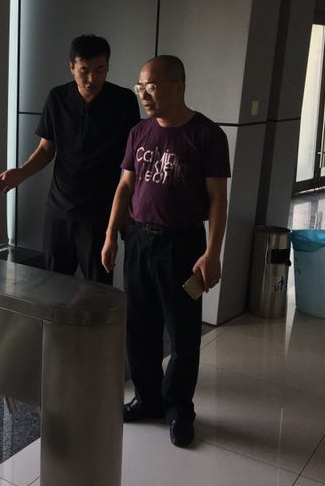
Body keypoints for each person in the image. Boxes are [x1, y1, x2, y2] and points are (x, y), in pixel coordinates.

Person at [100, 55, 230, 448]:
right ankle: (147, 398)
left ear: (179, 87)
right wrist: (110, 235)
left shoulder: (207, 135)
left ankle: (179, 407)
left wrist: (212, 252)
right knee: (139, 327)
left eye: (152, 87)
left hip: (183, 245)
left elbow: (218, 199)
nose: (144, 94)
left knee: (183, 332)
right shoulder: (139, 132)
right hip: (139, 240)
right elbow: (125, 187)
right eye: (140, 86)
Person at [0, 34, 139, 284]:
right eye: (84, 71)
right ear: (72, 67)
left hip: (100, 211)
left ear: (108, 67)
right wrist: (20, 173)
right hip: (59, 208)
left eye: (99, 70)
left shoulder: (123, 101)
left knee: (98, 288)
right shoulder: (58, 98)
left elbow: (132, 162)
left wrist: (127, 208)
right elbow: (46, 150)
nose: (92, 78)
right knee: (53, 284)